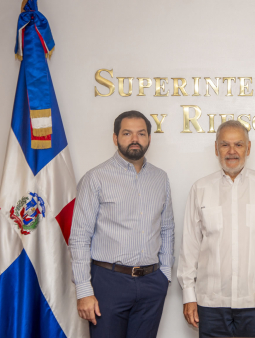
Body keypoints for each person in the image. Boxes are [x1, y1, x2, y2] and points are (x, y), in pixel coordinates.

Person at [177, 120, 255, 338]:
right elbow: (189, 246)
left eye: (238, 145)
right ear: (216, 148)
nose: (231, 151)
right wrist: (188, 295)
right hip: (210, 302)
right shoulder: (200, 188)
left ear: (248, 148)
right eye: (224, 145)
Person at [69, 110, 175, 337]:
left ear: (149, 138)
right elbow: (79, 237)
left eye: (141, 133)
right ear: (115, 138)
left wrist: (164, 274)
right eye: (127, 133)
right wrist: (84, 289)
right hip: (108, 282)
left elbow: (167, 229)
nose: (135, 139)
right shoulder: (95, 178)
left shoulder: (160, 178)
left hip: (152, 283)